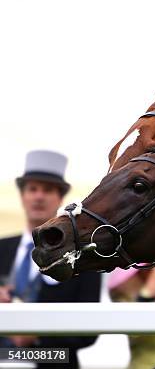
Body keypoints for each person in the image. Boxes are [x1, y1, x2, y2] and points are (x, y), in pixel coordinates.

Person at [0, 150, 102, 368]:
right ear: (23, 195)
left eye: (47, 190)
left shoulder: (82, 256)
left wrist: (38, 336)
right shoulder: (1, 248)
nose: (39, 196)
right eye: (32, 189)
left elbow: (89, 330)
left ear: (60, 198)